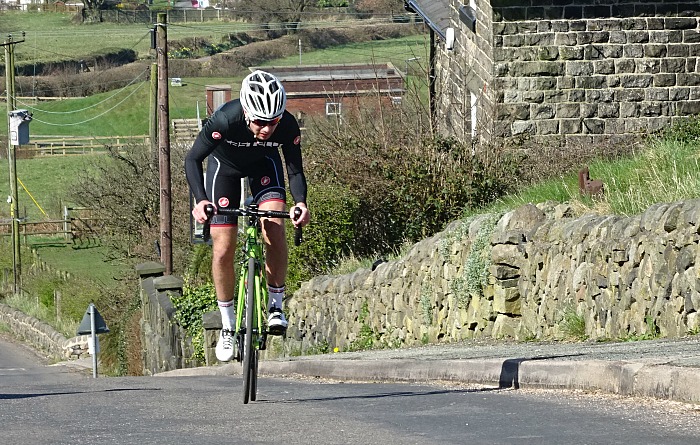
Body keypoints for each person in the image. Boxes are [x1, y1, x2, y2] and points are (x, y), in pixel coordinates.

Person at [185, 70, 310, 362]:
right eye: (260, 122)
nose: (267, 129)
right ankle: (228, 326)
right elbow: (192, 159)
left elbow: (294, 170)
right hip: (224, 169)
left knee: (274, 227)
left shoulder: (287, 125)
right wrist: (201, 201)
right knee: (223, 247)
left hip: (264, 167)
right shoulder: (225, 119)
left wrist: (301, 203)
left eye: (273, 122)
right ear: (246, 112)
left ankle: (276, 306)